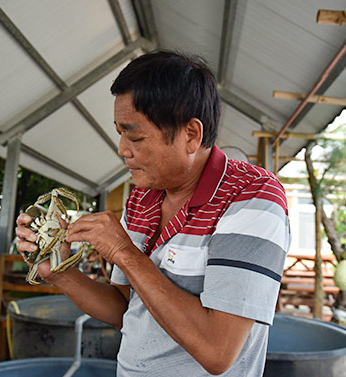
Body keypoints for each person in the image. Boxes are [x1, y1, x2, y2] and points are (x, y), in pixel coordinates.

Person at [15, 51, 291, 376]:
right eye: (119, 133)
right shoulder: (141, 199)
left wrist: (124, 253)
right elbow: (125, 309)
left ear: (191, 135)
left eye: (135, 136)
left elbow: (217, 351)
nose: (122, 149)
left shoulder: (252, 196)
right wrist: (59, 273)